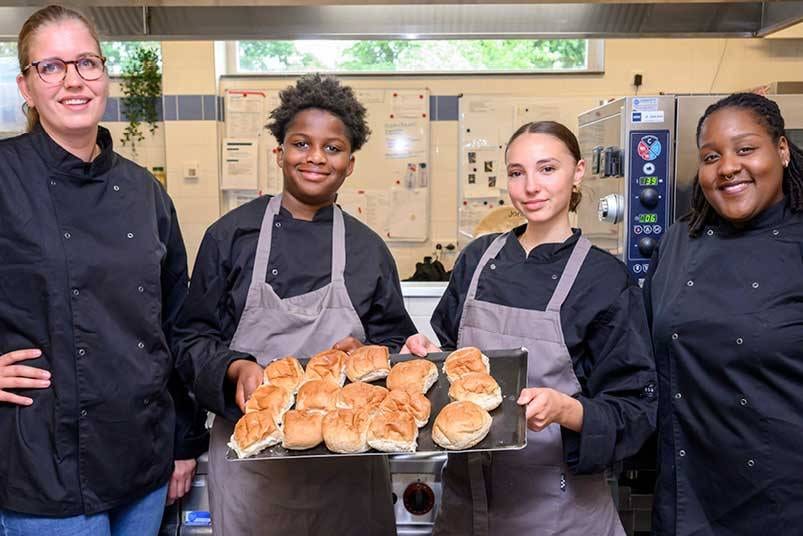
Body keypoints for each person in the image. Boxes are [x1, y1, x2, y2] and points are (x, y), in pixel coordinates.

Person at [173, 73, 417, 535]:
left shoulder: (368, 250)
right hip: (253, 462)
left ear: (350, 163)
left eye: (333, 148)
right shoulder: (230, 237)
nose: (315, 158)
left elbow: (395, 341)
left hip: (347, 464)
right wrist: (234, 368)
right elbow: (190, 338)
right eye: (301, 143)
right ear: (280, 152)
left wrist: (366, 360)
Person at [0, 6, 208, 535]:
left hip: (144, 457)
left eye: (87, 63)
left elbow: (175, 326)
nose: (73, 80)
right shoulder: (5, 178)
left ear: (105, 76)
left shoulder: (145, 192)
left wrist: (185, 442)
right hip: (42, 466)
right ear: (26, 86)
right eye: (51, 66)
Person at [404, 121, 657, 535]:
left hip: (558, 511)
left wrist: (565, 409)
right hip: (464, 507)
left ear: (578, 172)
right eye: (517, 172)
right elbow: (451, 375)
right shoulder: (477, 259)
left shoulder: (604, 279)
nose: (530, 187)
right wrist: (425, 360)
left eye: (547, 169)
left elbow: (635, 410)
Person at [646, 92, 803, 534]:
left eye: (746, 149)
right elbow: (638, 355)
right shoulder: (679, 242)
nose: (728, 166)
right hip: (689, 491)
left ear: (783, 150)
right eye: (711, 156)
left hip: (785, 498)